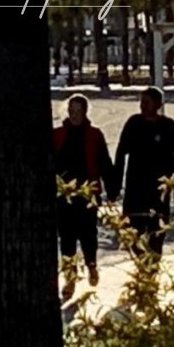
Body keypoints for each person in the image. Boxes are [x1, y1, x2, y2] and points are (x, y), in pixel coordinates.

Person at [52, 95, 117, 300]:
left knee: (89, 235)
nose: (74, 114)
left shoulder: (95, 136)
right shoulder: (57, 135)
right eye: (71, 110)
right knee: (67, 238)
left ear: (85, 112)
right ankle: (70, 277)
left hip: (88, 193)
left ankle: (91, 265)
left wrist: (112, 190)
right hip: (64, 196)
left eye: (78, 111)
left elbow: (105, 163)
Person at [115, 86, 174, 266]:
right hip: (135, 187)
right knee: (132, 230)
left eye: (147, 102)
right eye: (141, 102)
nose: (143, 106)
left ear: (158, 104)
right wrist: (115, 182)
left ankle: (153, 265)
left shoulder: (168, 126)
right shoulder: (133, 123)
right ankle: (142, 262)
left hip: (158, 190)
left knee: (157, 231)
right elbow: (121, 152)